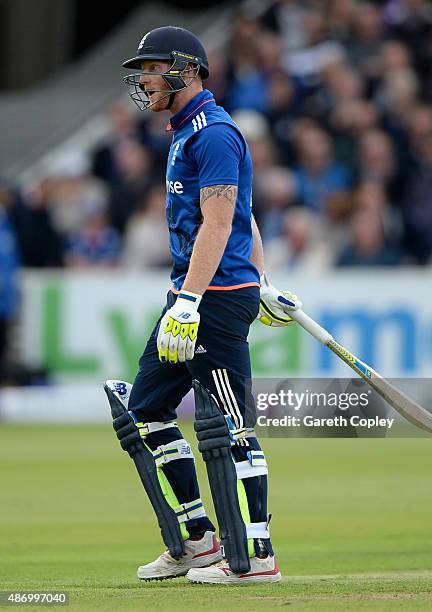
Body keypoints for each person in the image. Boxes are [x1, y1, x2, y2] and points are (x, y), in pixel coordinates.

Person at [106, 26, 300, 585]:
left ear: (185, 70)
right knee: (146, 410)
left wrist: (196, 298)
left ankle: (258, 555)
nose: (142, 80)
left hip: (210, 299)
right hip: (193, 294)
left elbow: (221, 221)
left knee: (233, 426)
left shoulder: (214, 133)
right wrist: (259, 277)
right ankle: (201, 542)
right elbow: (247, 217)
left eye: (151, 67)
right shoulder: (186, 132)